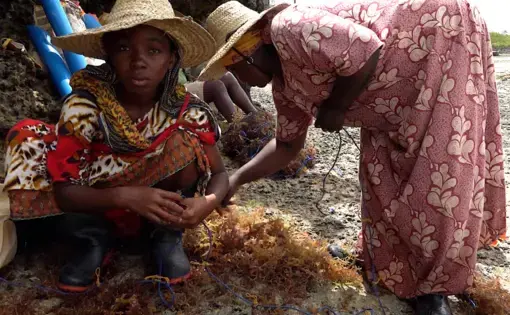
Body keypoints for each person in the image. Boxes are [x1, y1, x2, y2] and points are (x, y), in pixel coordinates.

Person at [198, 1, 507, 314]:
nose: (239, 77)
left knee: (437, 177)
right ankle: (386, 264)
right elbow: (286, 146)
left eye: (233, 67)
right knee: (378, 175)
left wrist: (336, 106)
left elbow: (366, 49)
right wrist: (237, 180)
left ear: (246, 50)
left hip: (437, 36)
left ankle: (433, 288)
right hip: (392, 105)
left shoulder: (287, 26)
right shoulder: (286, 88)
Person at [2, 0, 228, 293]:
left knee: (184, 139)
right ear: (108, 54)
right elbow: (65, 191)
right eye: (124, 48)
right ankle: (92, 238)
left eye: (154, 50)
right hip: (94, 205)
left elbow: (220, 174)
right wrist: (126, 196)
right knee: (26, 138)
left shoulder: (187, 111)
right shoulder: (85, 104)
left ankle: (165, 237)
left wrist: (206, 204)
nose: (138, 60)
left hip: (156, 212)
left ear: (172, 59)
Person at [183, 71, 258, 122]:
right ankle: (240, 129)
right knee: (216, 86)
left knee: (227, 76)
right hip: (176, 91)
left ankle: (257, 116)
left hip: (185, 84)